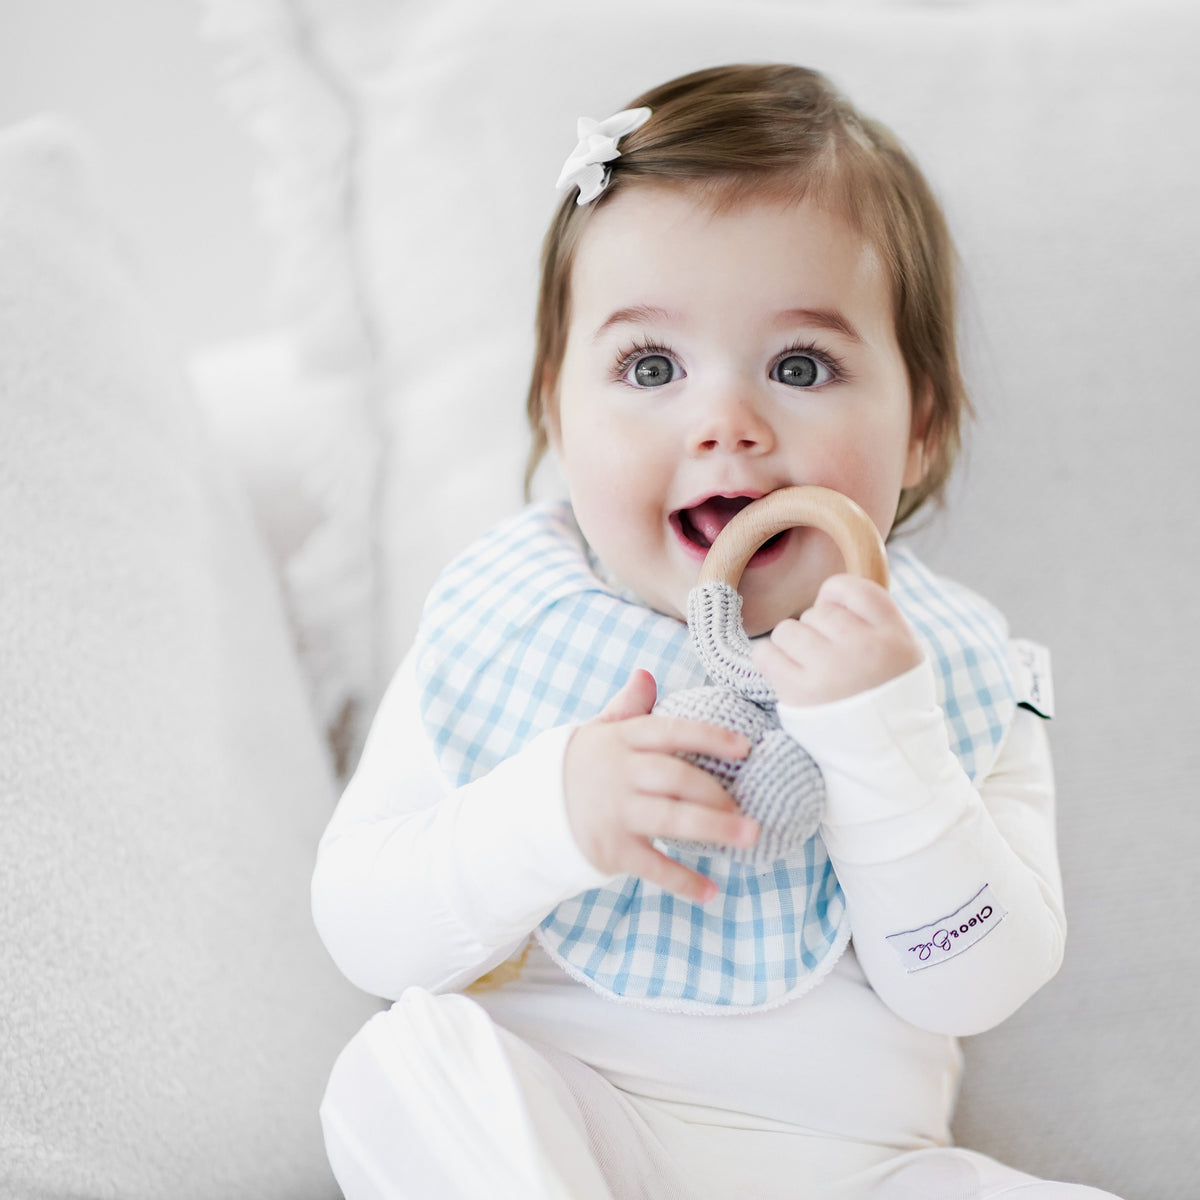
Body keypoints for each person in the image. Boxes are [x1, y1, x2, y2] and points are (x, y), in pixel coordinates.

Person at [311, 64, 1119, 1200]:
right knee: (400, 1069)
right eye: (652, 367)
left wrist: (884, 742)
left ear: (921, 427)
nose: (725, 424)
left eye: (800, 366)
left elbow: (975, 984)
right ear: (556, 406)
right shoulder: (513, 617)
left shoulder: (945, 663)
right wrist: (549, 812)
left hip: (862, 1169)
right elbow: (363, 931)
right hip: (570, 1137)